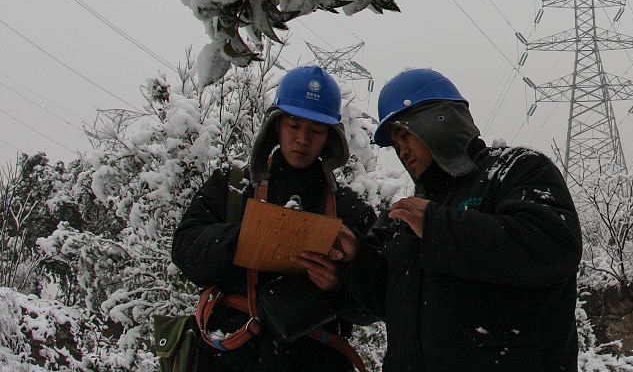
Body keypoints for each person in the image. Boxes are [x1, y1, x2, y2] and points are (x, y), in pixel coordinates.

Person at [300, 68, 583, 372]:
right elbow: (383, 303)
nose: (402, 150)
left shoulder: (515, 170)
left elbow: (552, 245)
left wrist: (438, 228)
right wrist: (352, 265)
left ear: (441, 120)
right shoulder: (405, 216)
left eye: (406, 133)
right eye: (395, 143)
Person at [172, 65, 375, 372]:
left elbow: (374, 304)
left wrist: (338, 283)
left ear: (330, 138)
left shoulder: (350, 209)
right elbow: (184, 250)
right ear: (276, 126)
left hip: (316, 360)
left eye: (316, 130)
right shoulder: (232, 187)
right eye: (294, 126)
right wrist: (241, 239)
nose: (303, 139)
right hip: (229, 358)